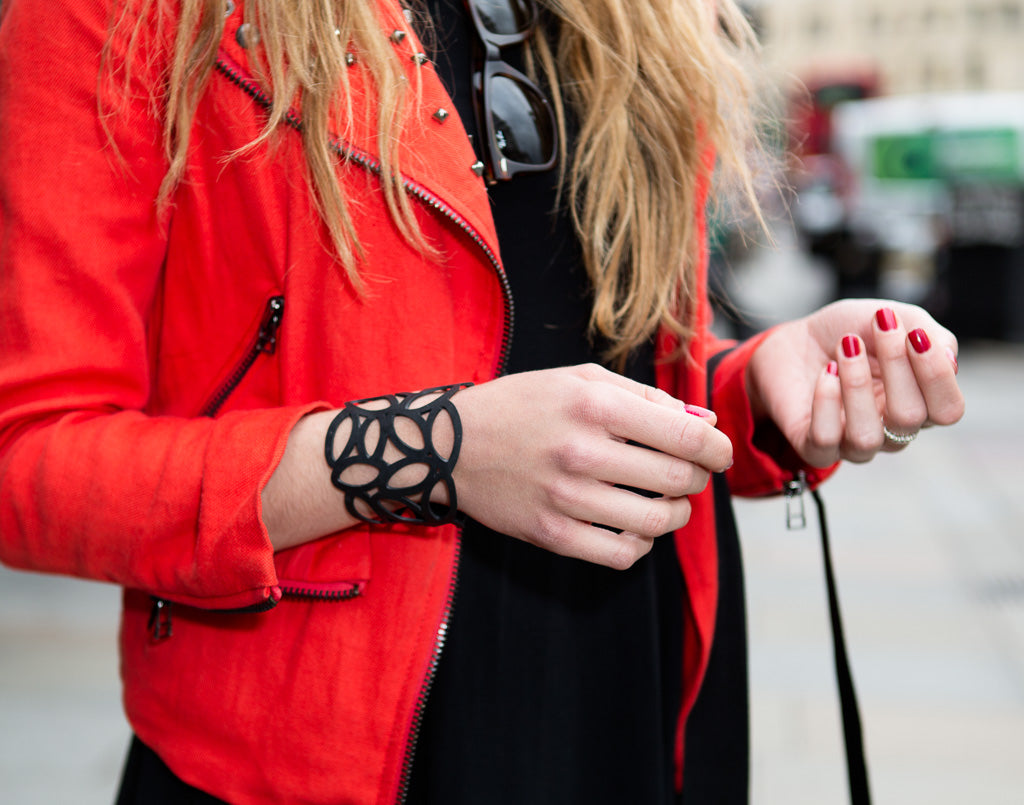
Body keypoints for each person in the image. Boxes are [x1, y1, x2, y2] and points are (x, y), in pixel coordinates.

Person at [0, 0, 964, 802]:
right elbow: (30, 454)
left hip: (633, 706)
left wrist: (752, 383)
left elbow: (608, 351)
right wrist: (439, 449)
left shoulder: (640, 21)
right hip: (321, 749)